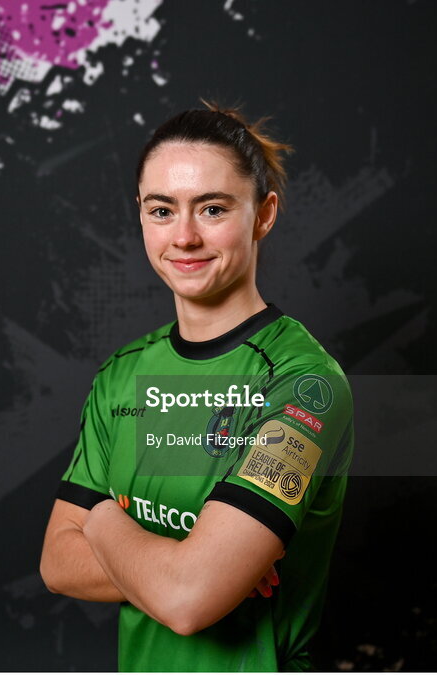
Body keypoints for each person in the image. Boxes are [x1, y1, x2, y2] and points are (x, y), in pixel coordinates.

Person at [39, 101, 353, 671]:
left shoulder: (305, 386)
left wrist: (104, 517)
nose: (183, 237)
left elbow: (188, 601)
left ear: (264, 214)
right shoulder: (123, 375)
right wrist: (184, 564)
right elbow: (57, 564)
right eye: (162, 210)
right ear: (139, 214)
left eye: (212, 208)